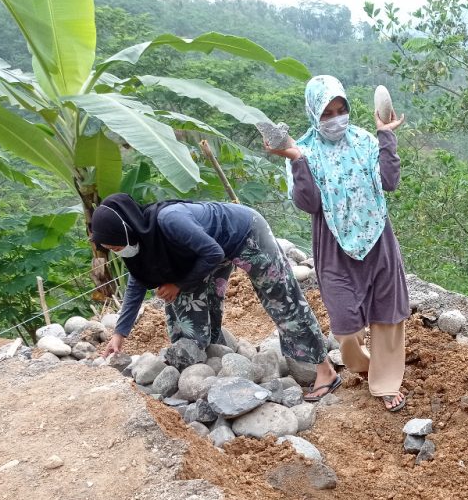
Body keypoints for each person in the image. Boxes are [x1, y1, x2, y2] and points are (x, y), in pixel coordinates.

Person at [90, 193, 340, 401]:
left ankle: (324, 370)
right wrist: (119, 334)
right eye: (113, 250)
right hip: (206, 252)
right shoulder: (141, 241)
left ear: (126, 229)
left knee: (281, 299)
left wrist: (178, 283)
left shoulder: (169, 221)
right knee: (192, 304)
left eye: (116, 246)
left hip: (243, 233)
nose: (119, 252)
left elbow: (212, 252)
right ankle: (215, 355)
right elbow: (138, 281)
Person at [266, 75, 411, 412]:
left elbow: (389, 182)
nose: (335, 119)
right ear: (314, 114)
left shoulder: (363, 141)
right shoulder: (304, 150)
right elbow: (309, 203)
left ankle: (386, 382)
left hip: (378, 239)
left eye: (340, 109)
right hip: (333, 246)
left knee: (388, 315)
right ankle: (363, 365)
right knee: (346, 327)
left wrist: (386, 136)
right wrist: (295, 159)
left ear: (348, 108)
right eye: (326, 113)